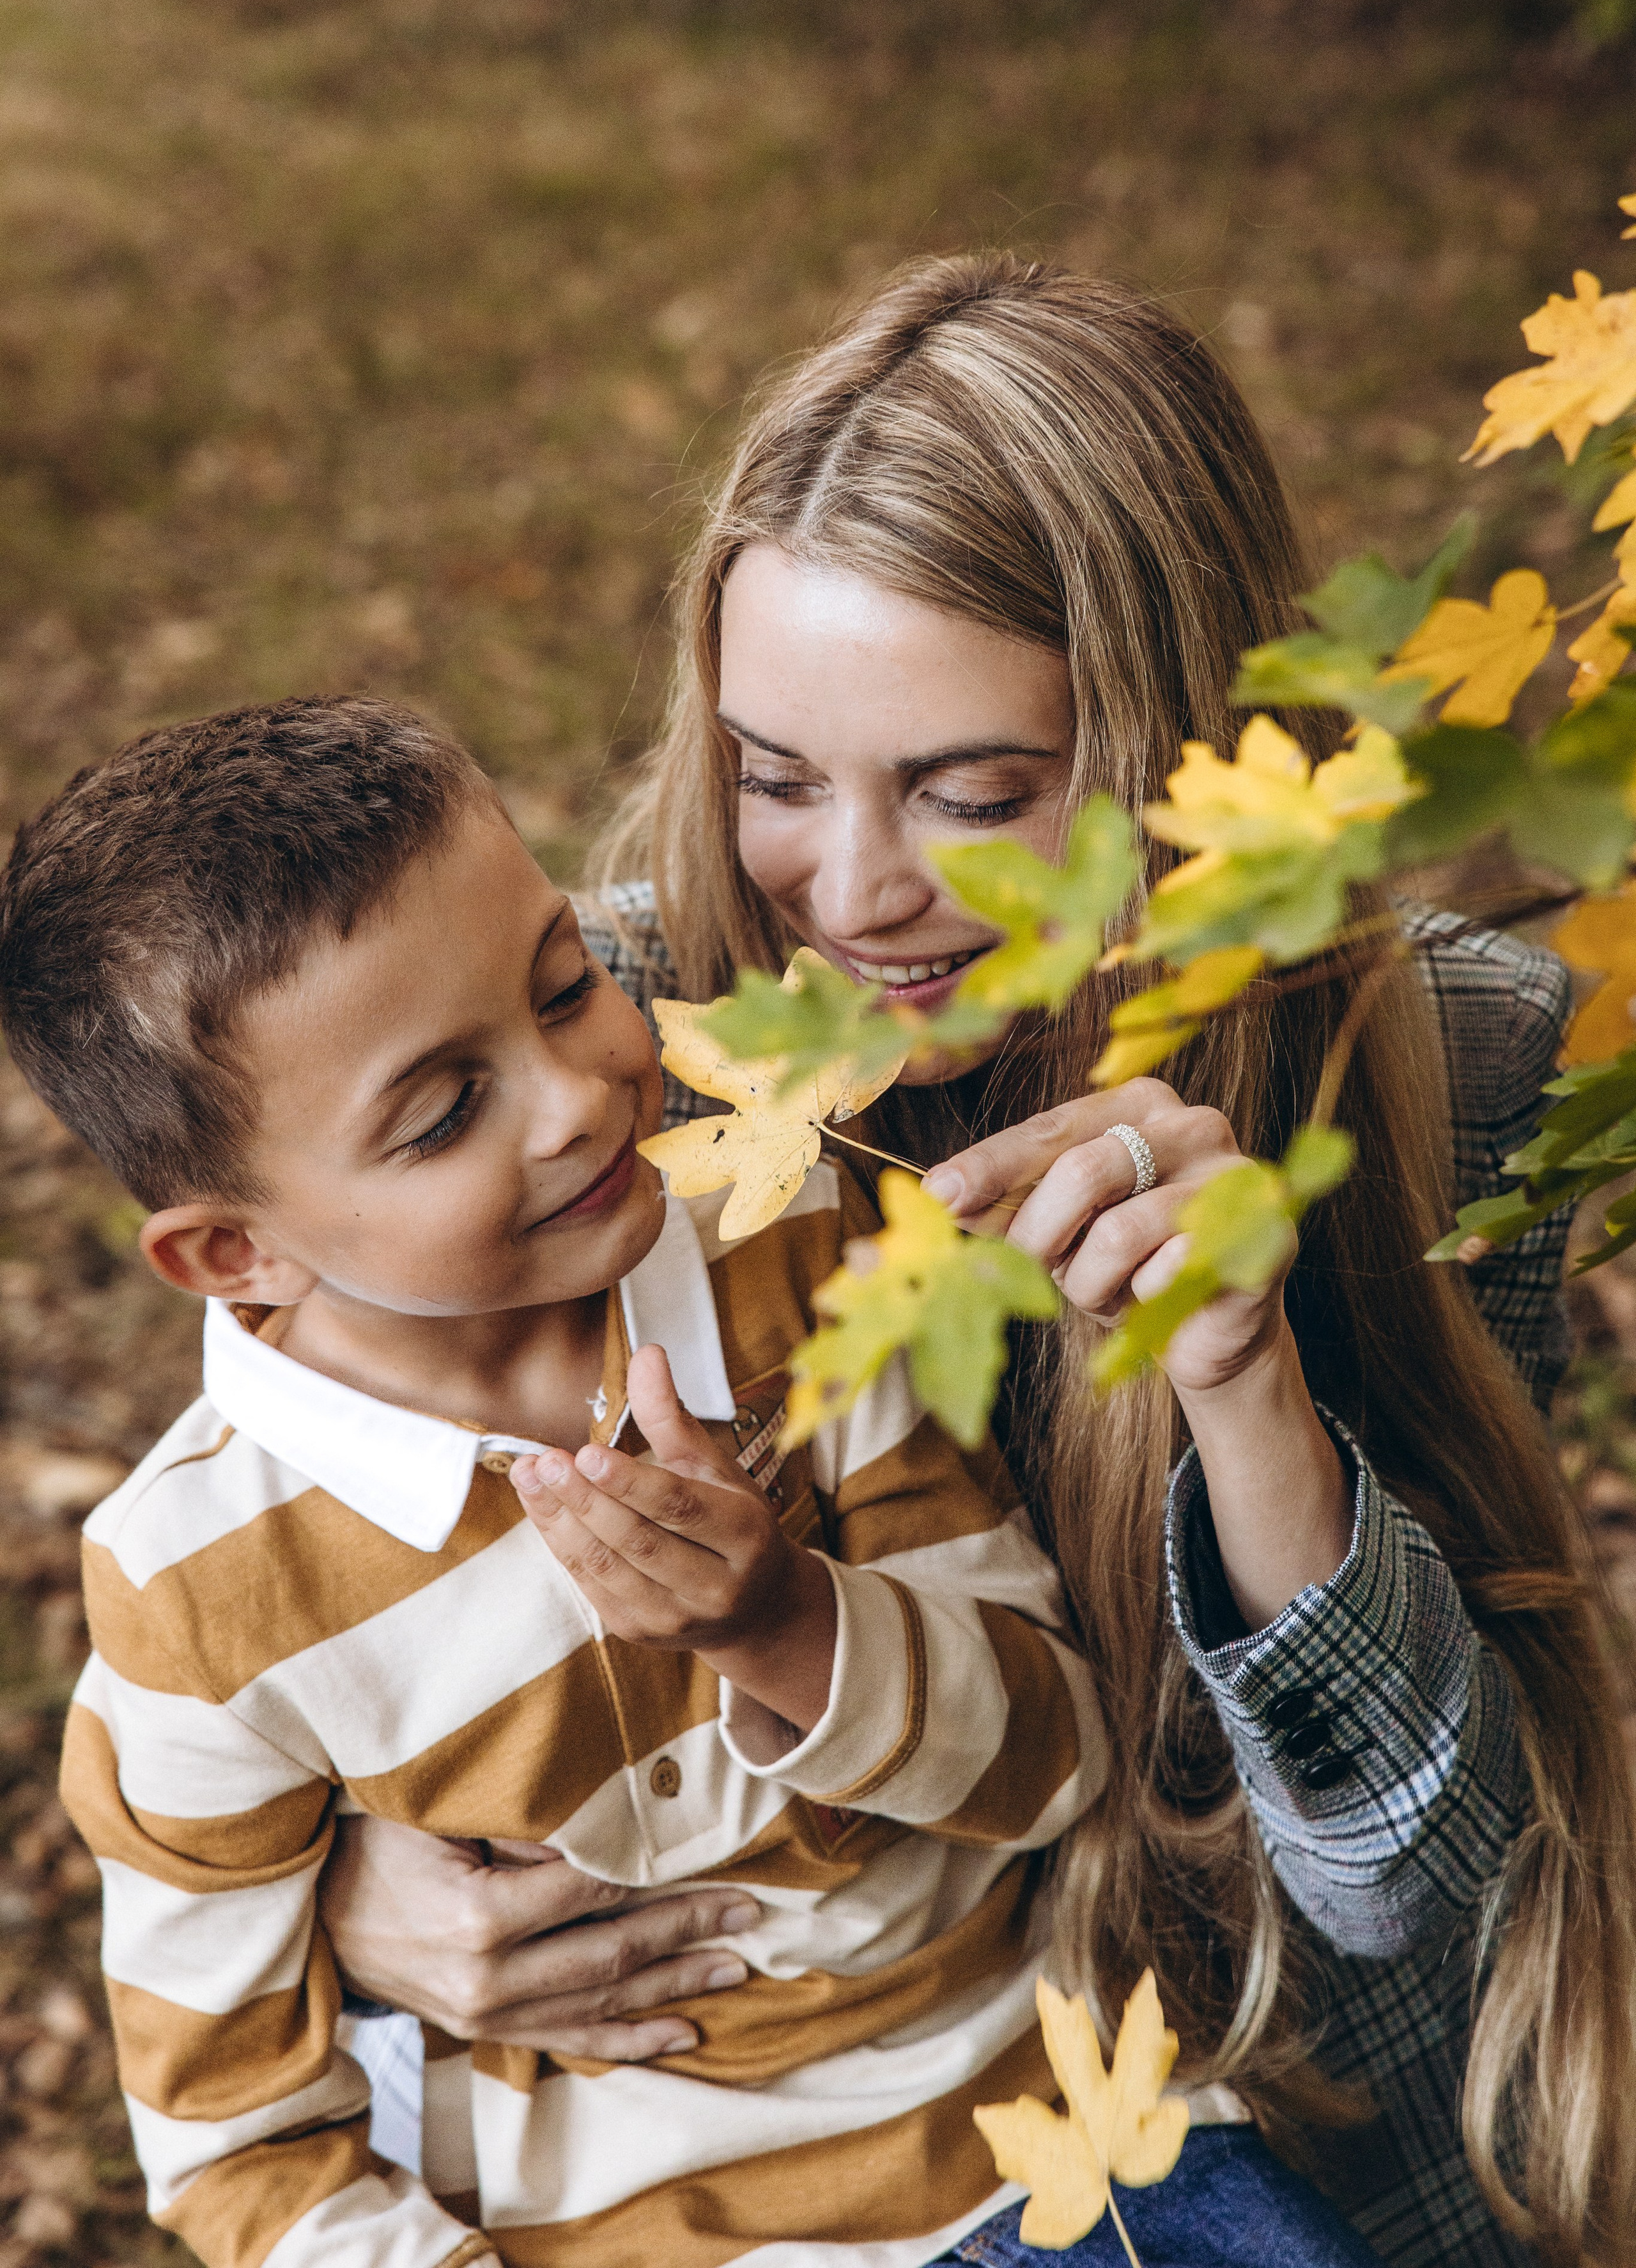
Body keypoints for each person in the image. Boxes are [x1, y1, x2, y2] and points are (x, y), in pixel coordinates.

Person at [325, 258, 1636, 2267]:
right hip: (766, 2142)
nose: (851, 893)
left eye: (977, 796)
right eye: (774, 776)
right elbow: (309, 1583)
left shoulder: (1452, 1060)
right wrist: (354, 1894)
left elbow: (1422, 1894)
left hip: (1268, 2115)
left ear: (1171, 747)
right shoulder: (613, 1048)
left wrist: (1241, 1387)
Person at [1, 694, 1141, 2267]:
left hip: (1047, 2139)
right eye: (444, 1112)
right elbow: (240, 2147)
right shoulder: (202, 1595)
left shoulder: (795, 1259)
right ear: (232, 1253)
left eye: (562, 985)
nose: (578, 1096)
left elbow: (1059, 1758)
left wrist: (782, 1627)